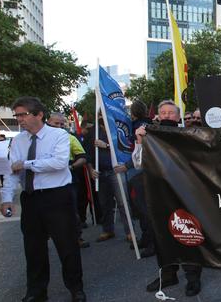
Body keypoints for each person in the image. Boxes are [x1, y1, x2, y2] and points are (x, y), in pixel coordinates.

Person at [0, 97, 86, 302]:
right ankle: (36, 292)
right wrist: (6, 198)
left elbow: (58, 163)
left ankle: (76, 288)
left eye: (23, 114)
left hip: (57, 197)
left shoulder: (58, 135)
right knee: (33, 248)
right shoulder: (19, 140)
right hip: (30, 198)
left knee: (67, 246)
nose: (19, 119)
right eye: (17, 115)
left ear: (39, 114)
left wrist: (26, 164)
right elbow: (12, 170)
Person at [134, 100, 203, 297]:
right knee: (162, 236)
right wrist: (140, 141)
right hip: (159, 195)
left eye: (170, 113)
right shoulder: (149, 136)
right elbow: (138, 164)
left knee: (188, 235)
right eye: (163, 112)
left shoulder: (189, 136)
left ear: (178, 117)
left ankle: (192, 278)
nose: (166, 116)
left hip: (184, 195)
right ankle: (168, 274)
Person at [84, 115, 131, 243]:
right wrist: (91, 169)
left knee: (122, 202)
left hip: (116, 170)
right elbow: (87, 154)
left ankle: (129, 231)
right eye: (99, 114)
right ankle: (108, 230)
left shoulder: (117, 129)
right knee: (105, 204)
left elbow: (125, 147)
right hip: (100, 172)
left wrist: (106, 145)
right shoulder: (92, 132)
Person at [47, 112, 90, 249]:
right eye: (56, 123)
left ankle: (77, 237)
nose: (59, 126)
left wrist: (71, 166)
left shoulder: (70, 138)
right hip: (46, 182)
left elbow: (82, 157)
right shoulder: (40, 139)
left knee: (71, 209)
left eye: (61, 124)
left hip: (68, 180)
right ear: (48, 122)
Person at [125, 101, 155, 258]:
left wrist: (126, 165)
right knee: (139, 207)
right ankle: (146, 237)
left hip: (143, 171)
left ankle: (152, 243)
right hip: (137, 169)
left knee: (145, 208)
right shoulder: (133, 124)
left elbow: (141, 153)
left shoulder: (145, 126)